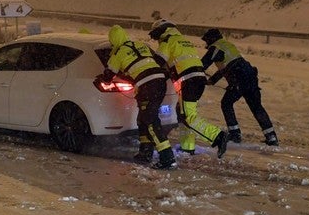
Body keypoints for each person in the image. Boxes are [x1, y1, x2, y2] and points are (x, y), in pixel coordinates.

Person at [96, 25, 177, 170]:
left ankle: (167, 157)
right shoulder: (140, 45)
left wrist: (100, 79)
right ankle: (145, 152)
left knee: (150, 120)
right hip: (160, 81)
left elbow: (109, 76)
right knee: (143, 119)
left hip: (147, 85)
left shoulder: (118, 53)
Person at [149, 20, 228, 158]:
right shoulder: (182, 40)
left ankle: (218, 136)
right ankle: (187, 147)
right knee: (183, 114)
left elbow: (157, 62)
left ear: (161, 31)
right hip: (197, 79)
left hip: (188, 81)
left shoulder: (168, 41)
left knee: (187, 116)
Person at [200, 28, 279, 146]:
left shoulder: (215, 47)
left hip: (239, 76)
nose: (206, 44)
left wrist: (196, 74)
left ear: (212, 39)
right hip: (250, 74)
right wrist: (212, 80)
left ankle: (234, 134)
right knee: (256, 106)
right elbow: (226, 66)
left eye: (207, 40)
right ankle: (271, 136)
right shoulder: (227, 45)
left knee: (226, 103)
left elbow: (203, 65)